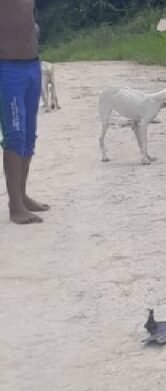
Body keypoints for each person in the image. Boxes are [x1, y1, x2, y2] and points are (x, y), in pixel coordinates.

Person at [0, 0, 48, 224]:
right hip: (7, 67)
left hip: (32, 64)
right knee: (16, 134)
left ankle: (22, 195)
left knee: (29, 134)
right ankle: (15, 206)